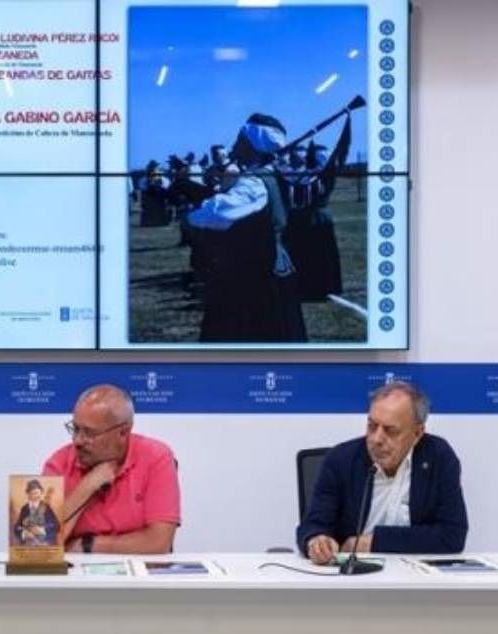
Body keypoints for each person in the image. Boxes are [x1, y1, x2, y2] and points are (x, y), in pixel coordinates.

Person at [296, 382, 468, 564]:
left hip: (414, 574)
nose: (377, 439)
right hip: (351, 573)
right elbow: (311, 526)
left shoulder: (438, 458)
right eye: (372, 426)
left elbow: (452, 535)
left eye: (390, 431)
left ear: (417, 433)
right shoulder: (341, 460)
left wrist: (373, 542)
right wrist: (317, 541)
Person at [187, 113, 306, 342]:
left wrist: (192, 213)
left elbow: (214, 215)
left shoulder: (254, 183)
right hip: (275, 265)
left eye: (240, 139)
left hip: (252, 273)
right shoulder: (274, 175)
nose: (234, 145)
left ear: (253, 144)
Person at [42, 384, 180, 554]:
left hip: (136, 568)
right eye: (75, 429)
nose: (77, 441)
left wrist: (88, 545)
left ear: (123, 432)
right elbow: (38, 545)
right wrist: (87, 487)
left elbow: (158, 543)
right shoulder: (58, 463)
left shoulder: (156, 457)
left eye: (89, 433)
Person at [12, 478, 60, 546]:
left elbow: (56, 526)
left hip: (45, 546)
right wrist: (24, 533)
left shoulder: (46, 507)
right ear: (28, 494)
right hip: (28, 547)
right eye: (33, 493)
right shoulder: (24, 508)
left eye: (37, 493)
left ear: (41, 493)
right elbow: (17, 528)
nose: (36, 496)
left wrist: (43, 530)